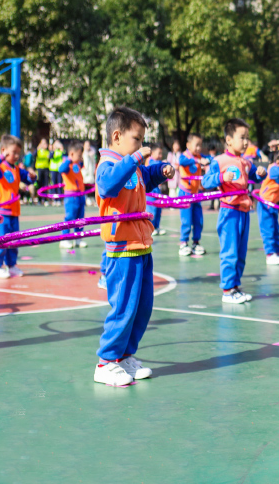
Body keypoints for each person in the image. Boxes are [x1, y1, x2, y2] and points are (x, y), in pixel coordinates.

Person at [93, 107, 173, 387]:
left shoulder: (134, 166)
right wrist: (136, 157)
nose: (142, 145)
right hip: (122, 248)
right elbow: (108, 186)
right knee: (124, 307)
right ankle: (106, 362)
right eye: (137, 139)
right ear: (117, 136)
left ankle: (125, 356)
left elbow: (145, 178)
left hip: (142, 244)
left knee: (142, 306)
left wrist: (160, 171)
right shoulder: (108, 166)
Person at [201, 118, 267, 303]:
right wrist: (222, 177)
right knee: (230, 252)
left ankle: (235, 286)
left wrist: (261, 173)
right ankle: (228, 291)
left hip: (244, 212)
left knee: (241, 253)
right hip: (229, 212)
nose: (246, 142)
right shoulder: (219, 160)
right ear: (229, 140)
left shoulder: (245, 162)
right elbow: (205, 182)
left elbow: (255, 175)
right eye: (242, 137)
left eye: (248, 138)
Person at [0, 134, 33, 279]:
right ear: (4, 150)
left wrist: (32, 177)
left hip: (13, 211)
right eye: (14, 152)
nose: (17, 155)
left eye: (19, 152)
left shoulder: (16, 169)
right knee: (0, 239)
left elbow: (27, 179)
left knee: (14, 240)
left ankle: (11, 265)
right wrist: (1, 157)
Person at [177, 133, 209, 256]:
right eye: (196, 145)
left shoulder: (200, 156)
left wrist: (208, 160)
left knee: (198, 219)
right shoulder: (184, 156)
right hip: (185, 192)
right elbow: (182, 161)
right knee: (186, 220)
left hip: (197, 193)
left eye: (200, 145)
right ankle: (184, 243)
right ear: (188, 145)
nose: (199, 148)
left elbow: (210, 158)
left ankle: (196, 242)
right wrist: (199, 160)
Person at [57, 141, 88, 249]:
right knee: (70, 217)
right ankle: (64, 239)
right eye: (79, 155)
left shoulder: (77, 164)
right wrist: (69, 159)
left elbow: (82, 165)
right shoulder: (67, 163)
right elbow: (61, 169)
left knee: (80, 218)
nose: (80, 158)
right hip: (71, 195)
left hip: (80, 194)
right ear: (71, 154)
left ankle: (78, 239)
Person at [146, 146, 167, 236]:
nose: (160, 155)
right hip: (151, 190)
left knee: (158, 209)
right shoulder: (150, 161)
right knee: (152, 210)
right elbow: (157, 165)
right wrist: (165, 163)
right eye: (158, 153)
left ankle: (156, 227)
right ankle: (150, 227)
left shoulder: (158, 162)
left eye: (161, 154)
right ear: (152, 153)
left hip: (157, 189)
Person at [35, 138, 51, 205]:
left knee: (46, 184)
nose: (44, 145)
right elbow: (33, 155)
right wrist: (38, 148)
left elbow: (51, 157)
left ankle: (45, 199)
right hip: (39, 169)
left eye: (45, 143)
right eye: (43, 143)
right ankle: (39, 199)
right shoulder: (38, 151)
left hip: (46, 169)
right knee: (39, 184)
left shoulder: (48, 151)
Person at [82, 140, 97, 207]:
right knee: (86, 186)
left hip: (91, 173)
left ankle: (92, 198)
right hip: (85, 174)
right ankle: (86, 199)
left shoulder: (92, 154)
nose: (88, 147)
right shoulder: (83, 154)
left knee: (92, 186)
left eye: (89, 145)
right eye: (86, 145)